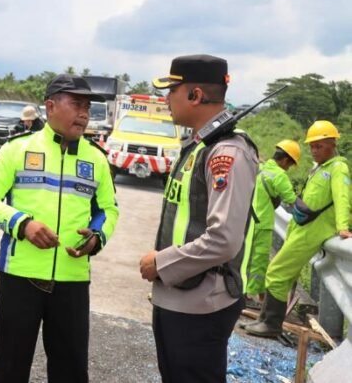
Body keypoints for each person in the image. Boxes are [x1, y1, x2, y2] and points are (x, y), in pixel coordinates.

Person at [0, 74, 119, 383]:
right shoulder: (17, 149)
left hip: (72, 282)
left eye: (88, 106)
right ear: (50, 106)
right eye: (76, 104)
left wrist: (97, 236)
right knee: (11, 369)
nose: (84, 113)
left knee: (71, 370)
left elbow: (108, 210)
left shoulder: (97, 159)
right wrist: (22, 225)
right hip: (19, 280)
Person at [139, 55, 259, 383]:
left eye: (172, 90)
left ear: (194, 95)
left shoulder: (226, 153)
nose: (166, 100)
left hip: (201, 304)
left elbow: (224, 239)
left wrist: (161, 263)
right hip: (178, 296)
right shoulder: (199, 146)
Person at [246, 120, 351, 338]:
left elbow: (342, 197)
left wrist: (342, 227)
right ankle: (265, 320)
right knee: (281, 275)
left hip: (313, 232)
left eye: (319, 146)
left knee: (275, 272)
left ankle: (270, 324)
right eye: (312, 146)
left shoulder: (338, 168)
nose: (314, 150)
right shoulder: (319, 168)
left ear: (332, 144)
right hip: (301, 228)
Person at [244, 140, 299, 304]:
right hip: (263, 224)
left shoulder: (259, 167)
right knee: (259, 262)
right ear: (285, 160)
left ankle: (250, 292)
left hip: (248, 220)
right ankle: (249, 295)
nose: (287, 168)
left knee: (246, 257)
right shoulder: (280, 176)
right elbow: (292, 200)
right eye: (289, 165)